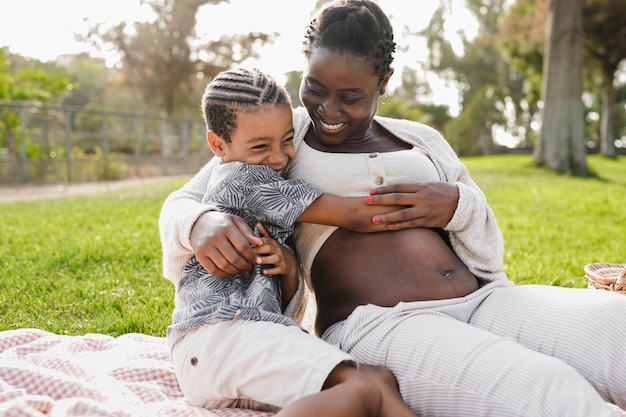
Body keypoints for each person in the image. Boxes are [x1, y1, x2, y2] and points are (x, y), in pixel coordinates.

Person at [159, 1, 626, 416]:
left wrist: (459, 205)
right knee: (545, 387)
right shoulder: (282, 136)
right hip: (381, 323)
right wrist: (200, 222)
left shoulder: (422, 139)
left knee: (615, 325)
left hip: (485, 301)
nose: (328, 108)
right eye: (315, 87)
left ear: (384, 81)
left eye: (351, 96)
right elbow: (193, 197)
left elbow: (487, 253)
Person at [164, 67, 416, 417]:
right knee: (358, 389)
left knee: (379, 379)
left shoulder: (263, 176)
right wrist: (432, 203)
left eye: (286, 140)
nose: (280, 157)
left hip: (246, 339)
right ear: (218, 145)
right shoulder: (244, 178)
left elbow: (270, 298)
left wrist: (285, 267)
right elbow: (354, 213)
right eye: (260, 146)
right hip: (216, 337)